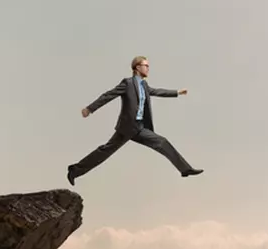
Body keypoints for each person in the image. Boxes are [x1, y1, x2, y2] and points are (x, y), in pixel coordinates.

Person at [68, 55, 204, 185]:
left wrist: (177, 92)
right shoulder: (127, 83)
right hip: (127, 127)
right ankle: (74, 170)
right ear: (137, 67)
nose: (148, 68)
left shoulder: (144, 85)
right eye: (146, 66)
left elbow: (157, 91)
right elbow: (108, 95)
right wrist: (90, 109)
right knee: (105, 151)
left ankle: (185, 169)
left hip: (140, 128)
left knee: (162, 142)